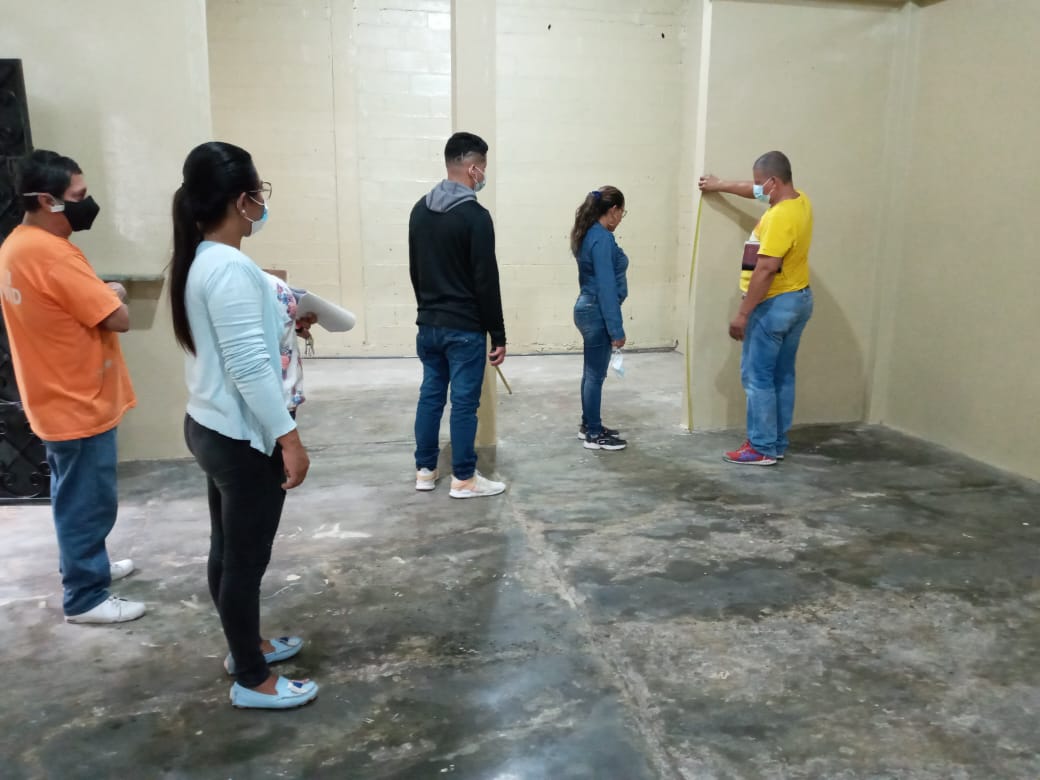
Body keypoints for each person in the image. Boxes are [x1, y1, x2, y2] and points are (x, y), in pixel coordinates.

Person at [169, 141, 318, 710]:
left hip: (210, 425)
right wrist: (289, 439)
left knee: (228, 549)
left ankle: (245, 646)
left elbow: (238, 345)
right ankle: (253, 679)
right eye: (259, 192)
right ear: (241, 200)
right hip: (240, 438)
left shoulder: (203, 258)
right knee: (244, 562)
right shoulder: (229, 267)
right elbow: (250, 367)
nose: (262, 202)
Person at [0, 150, 143, 624]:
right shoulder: (52, 254)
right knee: (88, 502)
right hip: (77, 400)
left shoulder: (17, 245)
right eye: (79, 195)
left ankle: (87, 564)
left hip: (53, 397)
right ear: (48, 200)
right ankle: (85, 596)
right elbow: (118, 317)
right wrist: (114, 292)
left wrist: (101, 293)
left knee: (72, 494)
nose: (87, 203)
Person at [699, 150, 814, 466]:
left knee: (757, 377)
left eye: (762, 183)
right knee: (782, 375)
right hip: (799, 300)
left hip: (773, 305)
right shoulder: (800, 201)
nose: (758, 189)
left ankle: (761, 447)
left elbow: (765, 270)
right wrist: (719, 185)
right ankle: (776, 442)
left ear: (774, 182)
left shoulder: (778, 218)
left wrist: (743, 314)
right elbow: (753, 191)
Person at [409, 131, 507, 498]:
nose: (483, 175)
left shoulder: (419, 211)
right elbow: (486, 280)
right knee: (464, 404)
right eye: (483, 168)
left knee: (431, 397)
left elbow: (415, 270)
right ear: (473, 168)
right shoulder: (475, 217)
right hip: (464, 328)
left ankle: (425, 471)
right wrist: (498, 335)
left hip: (428, 325)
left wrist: (427, 310)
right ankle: (464, 478)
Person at [569, 186, 630, 451]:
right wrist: (616, 330)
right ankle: (594, 433)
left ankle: (588, 424)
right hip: (596, 310)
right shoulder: (602, 238)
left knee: (591, 373)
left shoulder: (589, 233)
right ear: (613, 210)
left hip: (588, 307)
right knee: (595, 375)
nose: (621, 218)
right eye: (622, 213)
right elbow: (606, 287)